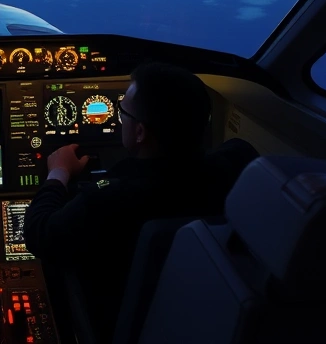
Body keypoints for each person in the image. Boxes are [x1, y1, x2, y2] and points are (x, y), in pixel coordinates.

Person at [23, 61, 215, 341]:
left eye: (123, 111)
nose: (120, 118)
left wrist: (58, 172)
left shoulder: (106, 201)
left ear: (140, 132)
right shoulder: (230, 171)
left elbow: (39, 232)